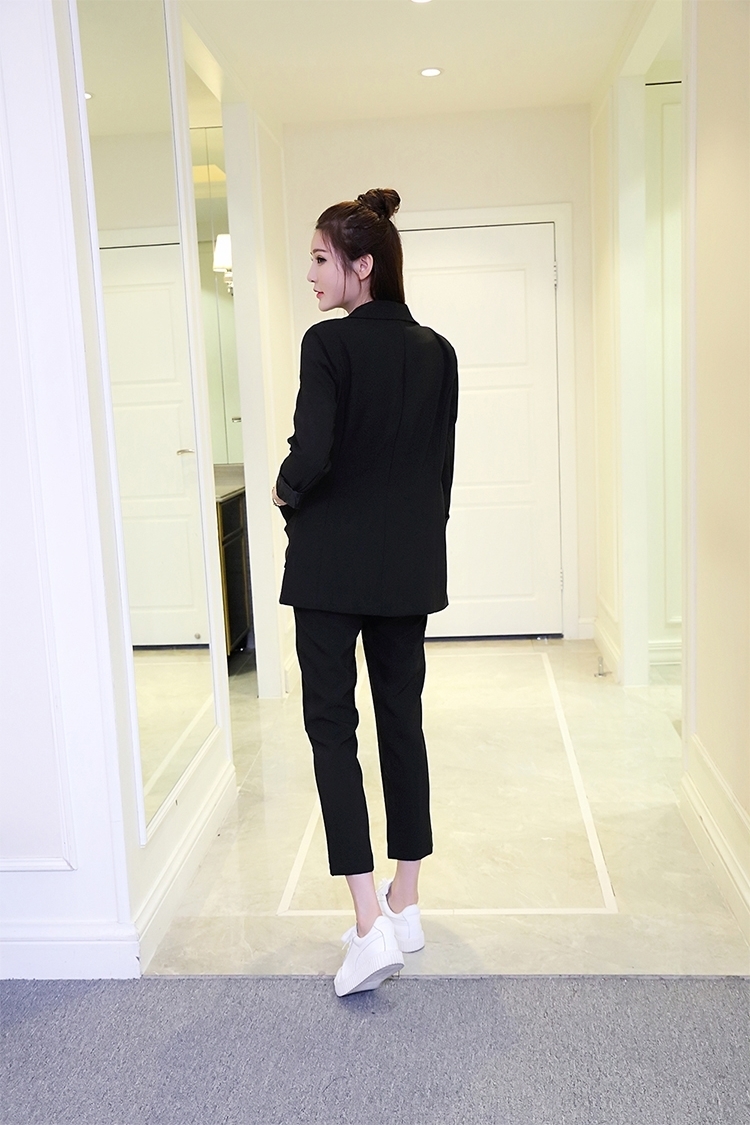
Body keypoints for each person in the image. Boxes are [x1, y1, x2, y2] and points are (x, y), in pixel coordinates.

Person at [272, 188, 458, 997]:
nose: (312, 274)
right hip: (406, 569)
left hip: (328, 568)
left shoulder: (327, 344)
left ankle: (366, 922)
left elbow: (312, 453)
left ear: (363, 265)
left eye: (321, 258)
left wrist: (283, 488)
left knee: (332, 729)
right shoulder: (440, 352)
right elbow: (439, 475)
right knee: (401, 724)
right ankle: (405, 900)